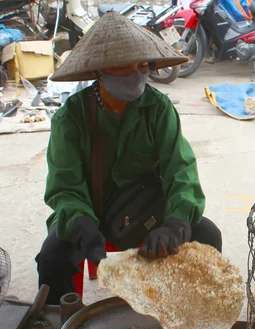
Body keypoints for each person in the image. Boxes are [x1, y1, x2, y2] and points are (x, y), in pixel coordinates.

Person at [35, 11, 222, 305]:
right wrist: (83, 227)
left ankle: (190, 317)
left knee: (207, 234)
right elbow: (65, 186)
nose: (137, 73)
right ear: (99, 70)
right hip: (90, 210)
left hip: (145, 210)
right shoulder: (71, 117)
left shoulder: (158, 108)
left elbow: (181, 169)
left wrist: (175, 224)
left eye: (143, 64)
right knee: (53, 257)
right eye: (124, 65)